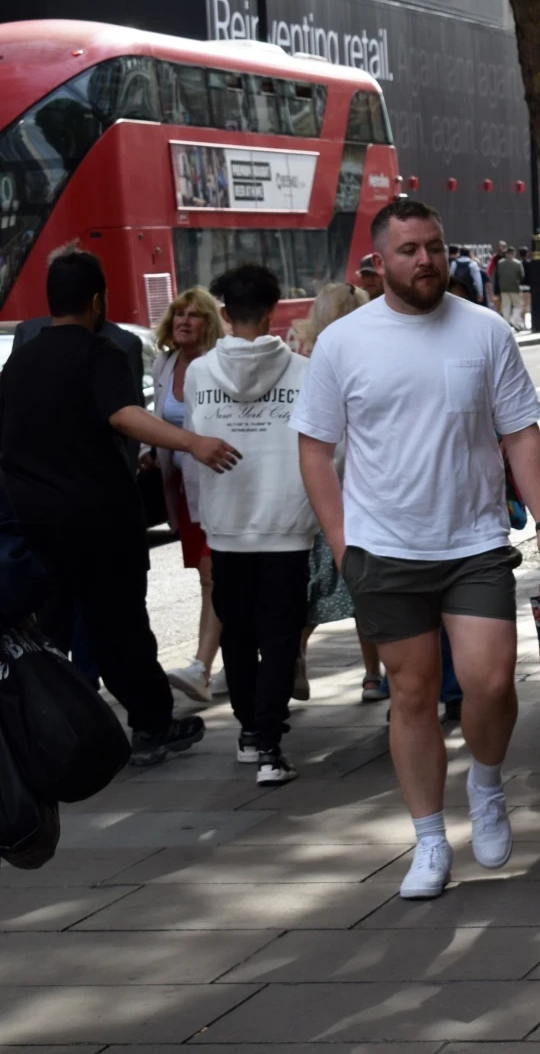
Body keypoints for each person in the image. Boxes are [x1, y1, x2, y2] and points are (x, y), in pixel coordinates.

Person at [292, 198, 540, 900]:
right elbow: (315, 449)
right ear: (380, 260)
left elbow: (519, 433)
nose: (427, 261)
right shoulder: (345, 342)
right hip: (383, 549)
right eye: (410, 250)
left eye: (435, 247)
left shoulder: (484, 330)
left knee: (492, 682)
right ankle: (429, 841)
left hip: (473, 540)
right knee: (410, 694)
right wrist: (341, 540)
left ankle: (485, 782)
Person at [0, 250, 240, 765]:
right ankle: (152, 727)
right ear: (96, 300)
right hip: (100, 522)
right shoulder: (100, 351)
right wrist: (191, 442)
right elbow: (125, 413)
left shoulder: (19, 361)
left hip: (35, 522)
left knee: (46, 629)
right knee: (121, 628)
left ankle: (35, 729)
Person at [187, 263, 314, 784]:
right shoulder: (303, 372)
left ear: (223, 315)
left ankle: (247, 732)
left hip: (227, 520)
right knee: (280, 635)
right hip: (286, 518)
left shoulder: (199, 374)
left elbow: (193, 443)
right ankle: (269, 744)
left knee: (236, 632)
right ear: (272, 312)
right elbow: (329, 449)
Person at [291, 284, 386, 702]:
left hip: (319, 495)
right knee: (370, 594)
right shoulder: (368, 355)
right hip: (363, 495)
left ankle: (297, 654)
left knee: (313, 590)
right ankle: (372, 674)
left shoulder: (309, 363)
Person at [151, 287, 227, 704]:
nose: (184, 321)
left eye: (195, 315)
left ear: (209, 324)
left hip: (217, 486)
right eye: (179, 314)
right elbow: (158, 420)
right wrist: (151, 453)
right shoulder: (165, 363)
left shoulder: (216, 365)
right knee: (210, 578)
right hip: (182, 489)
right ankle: (236, 657)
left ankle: (201, 665)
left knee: (212, 576)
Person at [494, 247, 526, 330]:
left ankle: (506, 323)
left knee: (505, 306)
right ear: (513, 253)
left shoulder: (500, 263)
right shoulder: (517, 263)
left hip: (503, 288)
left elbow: (497, 275)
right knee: (518, 305)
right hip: (515, 287)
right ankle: (514, 319)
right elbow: (521, 276)